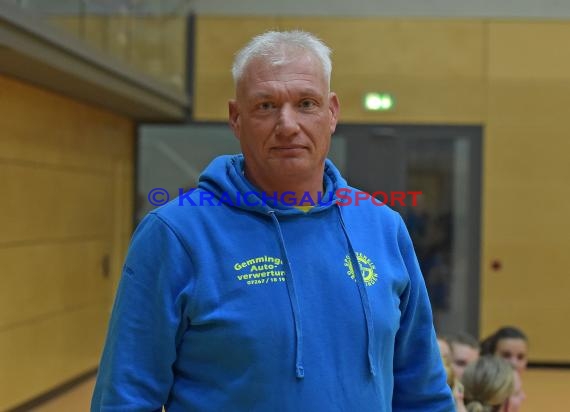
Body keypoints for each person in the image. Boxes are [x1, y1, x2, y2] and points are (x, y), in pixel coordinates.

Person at [91, 30, 454, 411]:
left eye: (306, 103)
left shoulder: (383, 228)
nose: (287, 124)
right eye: (265, 105)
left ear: (331, 113)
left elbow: (423, 394)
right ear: (236, 117)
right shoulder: (175, 234)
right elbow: (125, 399)